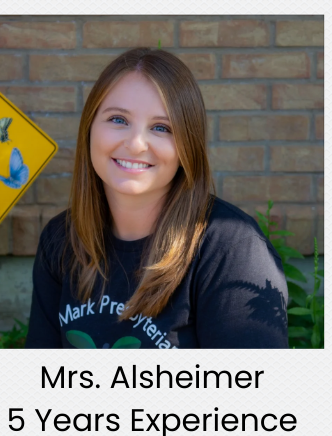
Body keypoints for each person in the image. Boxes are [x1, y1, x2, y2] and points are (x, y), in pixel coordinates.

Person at [26, 48, 287, 349]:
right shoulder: (61, 240)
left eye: (161, 128)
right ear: (89, 128)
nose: (136, 144)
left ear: (187, 146)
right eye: (118, 119)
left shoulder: (232, 249)